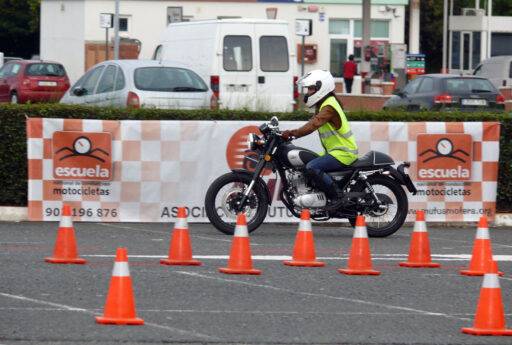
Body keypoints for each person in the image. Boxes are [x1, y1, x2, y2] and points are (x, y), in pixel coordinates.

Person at [282, 70, 358, 203]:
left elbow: (313, 124)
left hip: (344, 153)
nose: (308, 92)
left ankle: (337, 197)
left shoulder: (329, 106)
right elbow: (313, 122)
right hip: (334, 152)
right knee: (309, 163)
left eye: (311, 88)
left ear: (321, 88)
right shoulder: (325, 104)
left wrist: (292, 134)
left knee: (312, 167)